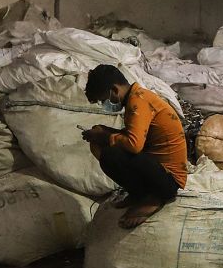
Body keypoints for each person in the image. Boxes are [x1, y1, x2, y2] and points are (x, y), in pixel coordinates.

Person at [80, 65, 187, 229]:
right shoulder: (135, 98)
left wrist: (105, 136)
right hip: (156, 170)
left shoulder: (139, 101)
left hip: (168, 180)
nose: (104, 104)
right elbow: (134, 135)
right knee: (103, 139)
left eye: (103, 100)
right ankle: (139, 194)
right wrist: (103, 132)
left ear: (114, 90)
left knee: (111, 153)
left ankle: (153, 198)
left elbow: (134, 145)